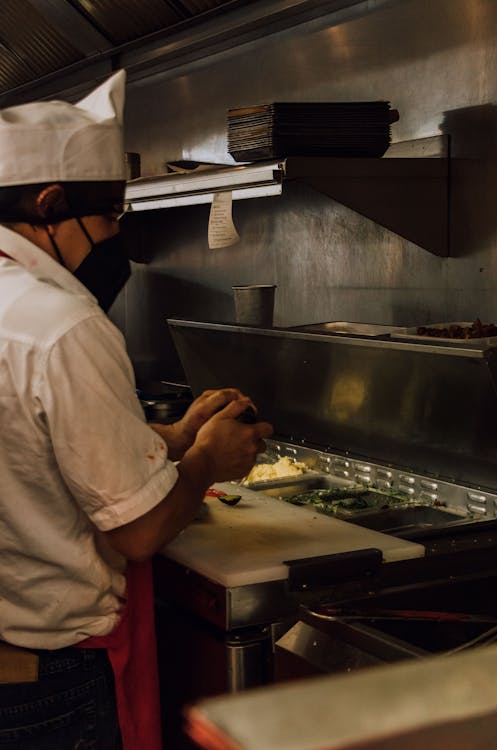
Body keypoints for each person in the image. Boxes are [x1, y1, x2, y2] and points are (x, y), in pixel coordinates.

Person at [0, 70, 273, 750]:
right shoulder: (61, 322)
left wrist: (174, 438)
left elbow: (29, 447)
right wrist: (210, 459)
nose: (116, 235)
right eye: (112, 217)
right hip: (46, 686)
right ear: (51, 202)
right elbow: (141, 533)